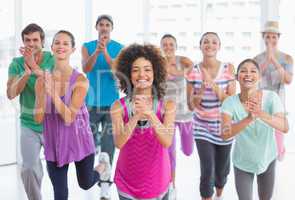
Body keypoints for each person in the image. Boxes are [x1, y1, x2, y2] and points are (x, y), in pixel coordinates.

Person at [34, 30, 107, 200]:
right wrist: (42, 93)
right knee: (60, 193)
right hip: (54, 143)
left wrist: (52, 92)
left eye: (66, 43)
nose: (61, 46)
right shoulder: (41, 81)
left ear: (72, 49)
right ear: (51, 47)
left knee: (86, 183)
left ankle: (103, 166)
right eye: (57, 43)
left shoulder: (80, 80)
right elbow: (37, 119)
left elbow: (69, 118)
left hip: (79, 140)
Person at [111, 44, 176, 200]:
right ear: (128, 74)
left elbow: (167, 141)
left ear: (155, 73)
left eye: (147, 69)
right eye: (135, 70)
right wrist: (136, 116)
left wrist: (150, 114)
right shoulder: (118, 107)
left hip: (158, 182)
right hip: (127, 183)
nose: (142, 74)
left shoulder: (168, 105)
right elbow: (119, 143)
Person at [221, 58, 289, 200]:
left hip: (267, 158)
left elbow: (284, 126)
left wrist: (260, 114)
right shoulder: (229, 102)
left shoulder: (271, 97)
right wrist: (249, 118)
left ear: (259, 77)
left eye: (253, 71)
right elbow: (225, 134)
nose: (248, 74)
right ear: (237, 77)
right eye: (243, 71)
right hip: (242, 162)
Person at [6, 23, 54, 200]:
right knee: (28, 168)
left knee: (56, 170)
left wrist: (34, 67)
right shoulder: (16, 64)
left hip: (52, 124)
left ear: (42, 42)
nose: (31, 43)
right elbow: (11, 93)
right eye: (27, 40)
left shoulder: (53, 59)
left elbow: (56, 85)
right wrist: (25, 74)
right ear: (23, 43)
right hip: (29, 124)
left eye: (35, 40)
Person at [186, 32, 236, 200]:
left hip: (224, 127)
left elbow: (231, 102)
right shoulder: (193, 71)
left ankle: (219, 195)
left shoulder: (229, 69)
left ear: (219, 46)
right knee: (207, 169)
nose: (210, 45)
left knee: (222, 172)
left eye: (214, 42)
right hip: (202, 127)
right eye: (206, 42)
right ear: (200, 46)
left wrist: (212, 84)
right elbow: (190, 105)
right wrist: (199, 91)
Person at [82, 15, 123, 199]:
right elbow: (86, 68)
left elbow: (117, 72)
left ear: (111, 28)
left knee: (109, 146)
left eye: (107, 25)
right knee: (88, 144)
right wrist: (97, 52)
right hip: (90, 105)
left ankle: (105, 186)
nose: (104, 27)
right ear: (96, 27)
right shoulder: (87, 46)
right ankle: (92, 172)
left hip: (111, 105)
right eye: (101, 24)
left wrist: (105, 51)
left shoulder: (119, 48)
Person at [160, 34, 194, 199]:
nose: (168, 47)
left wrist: (172, 69)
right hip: (168, 116)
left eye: (171, 44)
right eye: (164, 44)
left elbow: (191, 68)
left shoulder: (183, 60)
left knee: (188, 151)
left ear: (176, 45)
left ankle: (183, 145)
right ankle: (171, 186)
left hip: (185, 115)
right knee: (170, 154)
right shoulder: (157, 63)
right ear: (161, 47)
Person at [254, 21, 293, 161]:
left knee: (278, 137)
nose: (271, 40)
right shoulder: (257, 59)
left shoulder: (287, 58)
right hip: (261, 100)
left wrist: (274, 60)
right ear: (263, 38)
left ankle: (280, 151)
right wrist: (267, 60)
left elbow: (288, 80)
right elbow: (254, 77)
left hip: (278, 101)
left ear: (278, 38)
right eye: (268, 37)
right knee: (262, 135)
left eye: (274, 37)